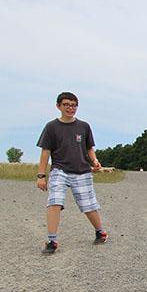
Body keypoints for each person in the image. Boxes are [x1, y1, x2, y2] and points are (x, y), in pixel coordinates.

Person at [36, 92, 107, 254]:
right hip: (59, 170)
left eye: (74, 105)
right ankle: (52, 240)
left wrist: (94, 161)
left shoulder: (83, 126)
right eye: (67, 104)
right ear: (58, 106)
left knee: (88, 205)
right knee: (54, 201)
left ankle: (100, 231)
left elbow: (89, 148)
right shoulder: (51, 127)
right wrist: (41, 176)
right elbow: (45, 152)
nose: (70, 108)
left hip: (82, 171)